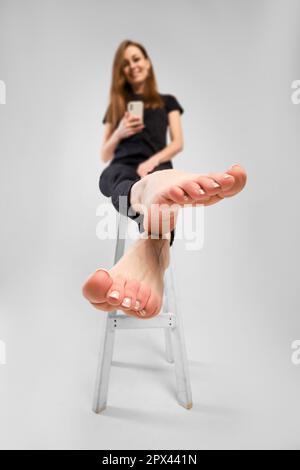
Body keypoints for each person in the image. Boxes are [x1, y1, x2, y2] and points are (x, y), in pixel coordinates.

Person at [82, 39, 247, 319]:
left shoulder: (168, 102)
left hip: (157, 166)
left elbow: (178, 142)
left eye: (136, 59)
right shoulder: (117, 106)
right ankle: (147, 213)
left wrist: (153, 161)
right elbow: (104, 152)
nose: (132, 66)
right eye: (126, 64)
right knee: (115, 180)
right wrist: (120, 130)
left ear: (147, 62)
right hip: (123, 164)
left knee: (162, 192)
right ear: (121, 73)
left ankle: (152, 229)